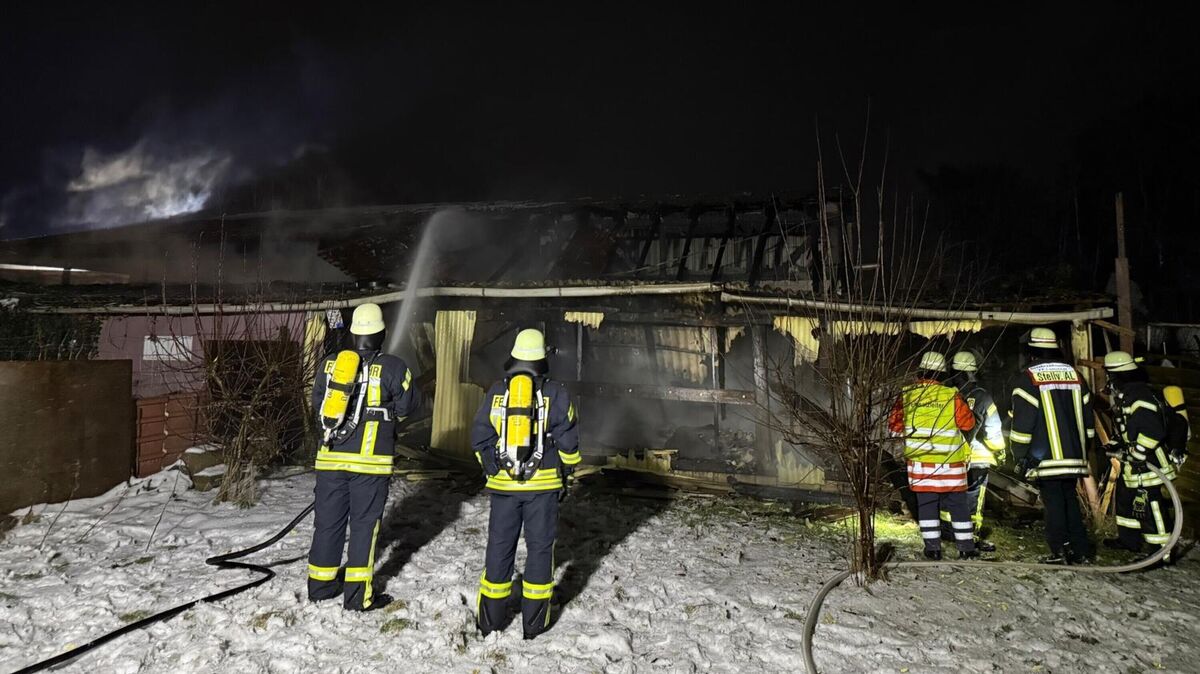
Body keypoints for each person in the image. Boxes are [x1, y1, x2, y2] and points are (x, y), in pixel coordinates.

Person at [307, 303, 421, 611]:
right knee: (363, 527)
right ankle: (358, 598)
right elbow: (409, 406)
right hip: (370, 465)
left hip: (330, 461)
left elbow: (317, 405)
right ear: (381, 333)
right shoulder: (395, 367)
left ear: (354, 334)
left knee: (327, 524)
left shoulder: (329, 364)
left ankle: (320, 587)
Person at [471, 328, 581, 639]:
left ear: (515, 357)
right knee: (540, 550)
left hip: (504, 489)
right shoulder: (557, 393)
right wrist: (566, 473)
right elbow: (569, 442)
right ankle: (534, 624)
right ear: (542, 361)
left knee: (499, 548)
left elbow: (479, 436)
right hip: (542, 488)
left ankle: (490, 622)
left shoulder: (496, 392)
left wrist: (493, 469)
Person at [1010, 327, 1095, 564]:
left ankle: (1059, 550)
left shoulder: (1027, 379)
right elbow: (1089, 422)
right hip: (1075, 456)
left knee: (1054, 502)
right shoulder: (1076, 375)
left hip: (1045, 458)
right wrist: (1083, 448)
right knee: (1069, 499)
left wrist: (1019, 455)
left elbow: (1023, 424)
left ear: (1031, 352)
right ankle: (1080, 550)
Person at [889, 351, 979, 560]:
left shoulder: (907, 395)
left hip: (922, 464)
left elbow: (894, 427)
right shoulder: (951, 395)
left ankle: (933, 549)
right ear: (943, 374)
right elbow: (969, 423)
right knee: (959, 507)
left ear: (920, 372)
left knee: (927, 506)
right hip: (952, 464)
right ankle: (966, 548)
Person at [1101, 350, 1180, 561]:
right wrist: (1118, 443)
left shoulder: (1139, 396)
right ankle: (1129, 540)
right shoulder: (1131, 394)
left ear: (1117, 375)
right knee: (1126, 499)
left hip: (1149, 463)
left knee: (1151, 505)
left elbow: (1152, 431)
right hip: (1134, 464)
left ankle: (1163, 551)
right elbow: (1131, 428)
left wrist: (1137, 453)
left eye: (1110, 376)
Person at [940, 350, 1007, 552]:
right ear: (973, 372)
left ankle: (947, 532)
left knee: (950, 496)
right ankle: (970, 536)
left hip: (950, 457)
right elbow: (993, 432)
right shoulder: (983, 397)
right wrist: (1001, 451)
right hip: (977, 459)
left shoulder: (945, 395)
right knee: (973, 499)